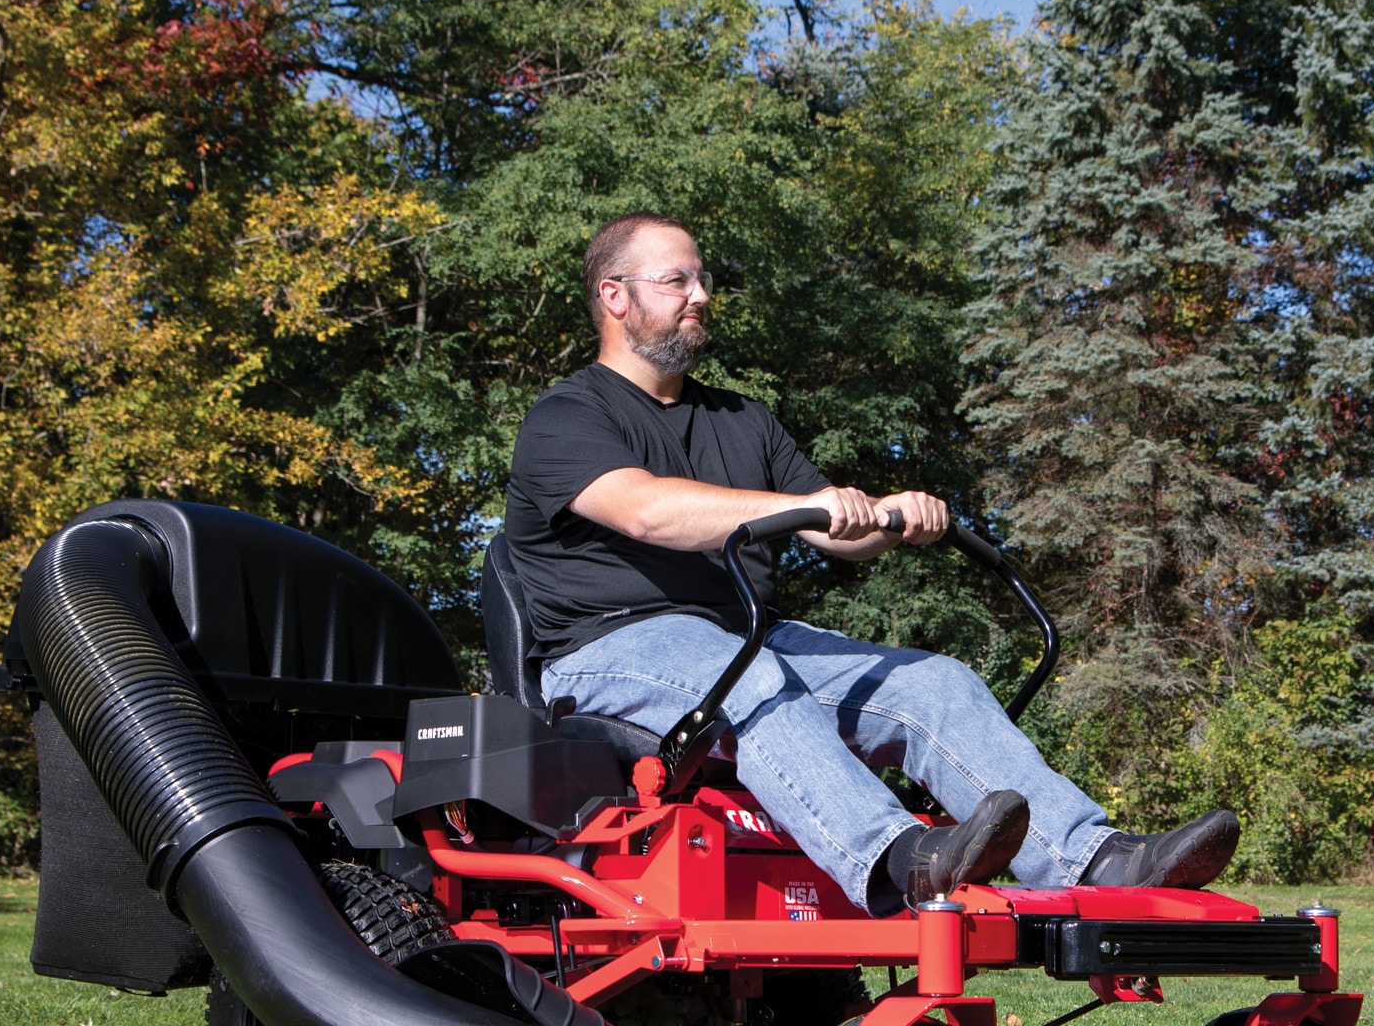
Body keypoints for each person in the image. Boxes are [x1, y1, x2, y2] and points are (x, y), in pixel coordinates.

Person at [501, 212, 1240, 913]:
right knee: (749, 676)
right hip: (607, 649)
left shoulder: (742, 418)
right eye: (676, 281)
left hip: (742, 638)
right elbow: (647, 511)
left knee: (933, 682)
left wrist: (890, 518)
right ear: (614, 296)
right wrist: (811, 509)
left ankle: (1093, 859)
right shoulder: (567, 417)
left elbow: (832, 530)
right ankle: (898, 857)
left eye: (703, 282)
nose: (701, 297)